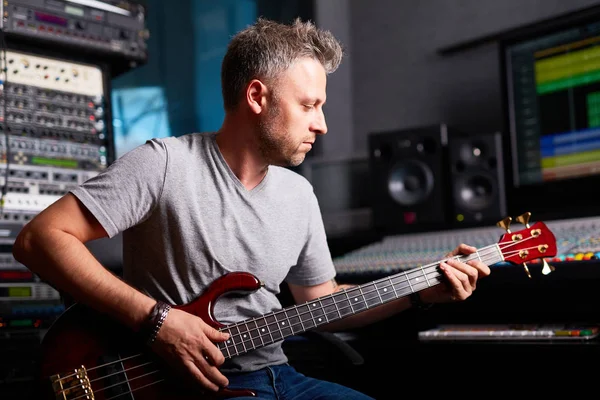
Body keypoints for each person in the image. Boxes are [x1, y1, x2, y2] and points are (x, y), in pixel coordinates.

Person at [13, 17, 491, 399]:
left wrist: (421, 292)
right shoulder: (163, 164)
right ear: (258, 97)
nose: (321, 124)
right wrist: (157, 320)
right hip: (171, 383)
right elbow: (40, 239)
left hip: (278, 377)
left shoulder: (299, 195)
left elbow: (319, 302)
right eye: (309, 105)